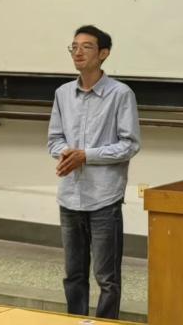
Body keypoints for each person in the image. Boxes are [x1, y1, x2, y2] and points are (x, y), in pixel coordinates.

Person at [47, 25, 140, 319]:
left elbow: (129, 144)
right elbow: (54, 139)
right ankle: (76, 321)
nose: (78, 52)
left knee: (107, 278)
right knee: (73, 275)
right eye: (74, 46)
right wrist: (67, 154)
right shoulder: (63, 93)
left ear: (103, 54)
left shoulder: (120, 94)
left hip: (103, 198)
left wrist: (86, 156)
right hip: (69, 197)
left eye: (86, 47)